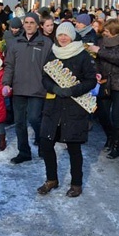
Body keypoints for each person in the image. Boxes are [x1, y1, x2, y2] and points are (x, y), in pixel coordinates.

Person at [37, 22, 96, 197]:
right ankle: (51, 179)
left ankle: (76, 183)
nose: (62, 38)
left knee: (73, 147)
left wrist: (72, 90)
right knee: (47, 143)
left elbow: (91, 80)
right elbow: (45, 77)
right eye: (60, 35)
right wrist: (54, 88)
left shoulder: (83, 55)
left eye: (66, 35)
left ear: (72, 36)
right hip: (54, 106)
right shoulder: (53, 53)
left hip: (74, 106)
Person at [2, 12, 53, 164]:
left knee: (34, 118)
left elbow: (51, 66)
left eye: (32, 22)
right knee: (19, 122)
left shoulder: (46, 43)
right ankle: (24, 152)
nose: (29, 25)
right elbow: (9, 65)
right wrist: (6, 83)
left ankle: (42, 143)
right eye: (27, 22)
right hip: (19, 88)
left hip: (38, 87)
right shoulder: (15, 43)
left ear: (38, 25)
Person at [87, 18, 119, 159]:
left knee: (116, 115)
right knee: (102, 113)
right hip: (104, 81)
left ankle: (116, 145)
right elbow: (96, 60)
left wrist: (99, 51)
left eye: (108, 32)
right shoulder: (101, 41)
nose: (105, 34)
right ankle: (110, 136)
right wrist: (96, 72)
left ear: (115, 32)